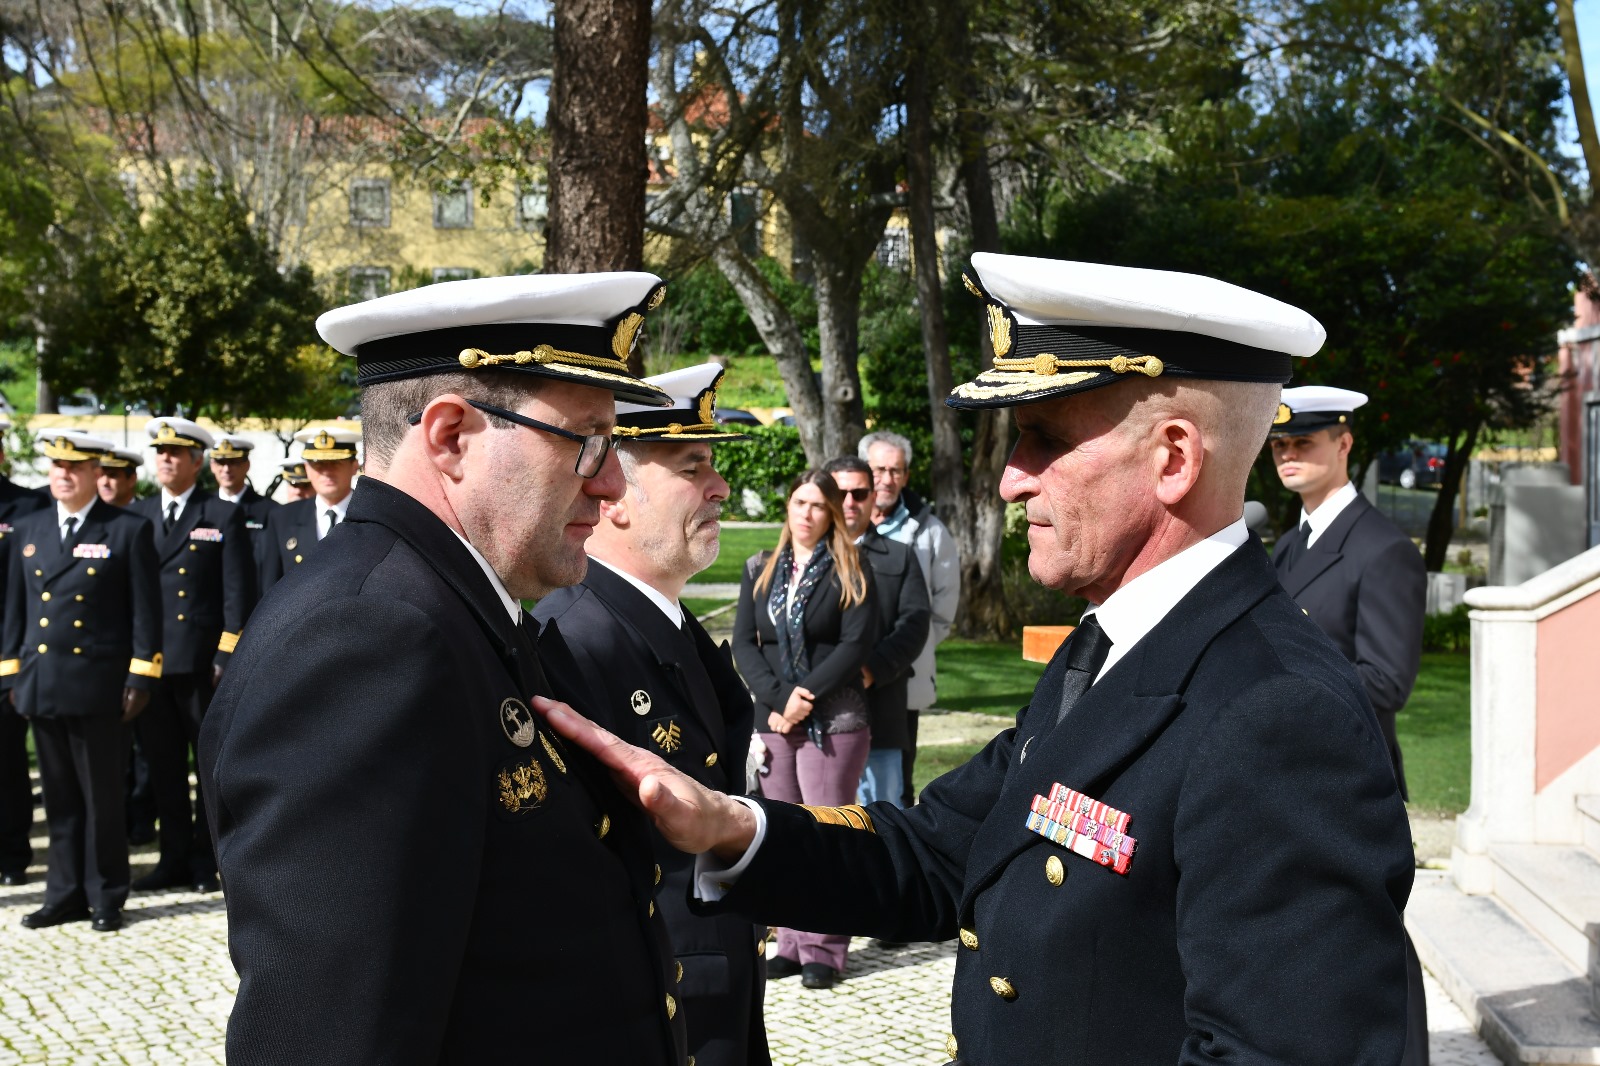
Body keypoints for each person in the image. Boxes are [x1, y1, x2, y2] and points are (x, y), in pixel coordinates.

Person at [537, 254, 1416, 1065]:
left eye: (1044, 440)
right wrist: (733, 827)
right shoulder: (1111, 644)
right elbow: (947, 847)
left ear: (1175, 458)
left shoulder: (1280, 712)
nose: (1010, 478)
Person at [199, 272, 691, 1063]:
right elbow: (336, 1038)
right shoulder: (369, 641)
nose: (609, 484)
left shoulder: (452, 609)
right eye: (589, 442)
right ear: (451, 436)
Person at [534, 362, 770, 1066]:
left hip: (715, 994)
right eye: (692, 466)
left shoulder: (664, 627)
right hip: (654, 1013)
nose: (720, 486)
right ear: (615, 497)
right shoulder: (573, 643)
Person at [1268, 384, 1430, 1066]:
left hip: (1345, 782)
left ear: (1345, 442)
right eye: (1279, 445)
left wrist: (1273, 694)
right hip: (1288, 775)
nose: (1289, 455)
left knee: (1366, 941)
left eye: (1304, 442)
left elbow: (1387, 681)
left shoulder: (1380, 548)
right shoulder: (1288, 546)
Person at [2, 432, 162, 933]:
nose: (62, 474)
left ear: (96, 473)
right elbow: (16, 612)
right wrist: (12, 674)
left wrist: (142, 672)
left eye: (74, 467)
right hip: (43, 681)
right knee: (60, 798)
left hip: (100, 685)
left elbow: (144, 612)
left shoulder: (126, 529)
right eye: (55, 466)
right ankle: (63, 893)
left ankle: (106, 893)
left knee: (101, 799)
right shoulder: (28, 529)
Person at [731, 468, 877, 990]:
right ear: (788, 507)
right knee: (783, 835)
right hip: (773, 721)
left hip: (832, 724)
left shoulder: (851, 568)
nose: (806, 513)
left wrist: (802, 700)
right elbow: (744, 643)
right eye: (798, 502)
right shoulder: (760, 568)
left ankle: (825, 948)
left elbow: (855, 646)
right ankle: (790, 942)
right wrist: (777, 700)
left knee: (825, 834)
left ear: (831, 512)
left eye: (817, 505)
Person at [127, 418, 254, 894]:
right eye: (159, 452)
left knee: (207, 769)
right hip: (151, 664)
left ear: (197, 462)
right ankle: (171, 857)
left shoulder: (219, 515)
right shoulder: (136, 516)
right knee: (160, 766)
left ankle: (205, 860)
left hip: (202, 665)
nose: (165, 459)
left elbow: (237, 594)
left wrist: (226, 653)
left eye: (176, 453)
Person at [820, 455, 930, 809]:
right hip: (812, 714)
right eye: (840, 493)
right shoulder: (802, 557)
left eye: (859, 493)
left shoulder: (900, 556)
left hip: (880, 712)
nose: (849, 502)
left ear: (872, 496)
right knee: (815, 822)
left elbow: (914, 625)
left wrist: (870, 671)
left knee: (884, 824)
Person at [857, 430, 959, 806]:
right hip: (839, 677)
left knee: (894, 782)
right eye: (879, 469)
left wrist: (901, 648)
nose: (888, 479)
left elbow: (941, 610)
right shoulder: (839, 527)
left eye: (897, 470)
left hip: (901, 677)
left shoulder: (930, 531)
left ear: (907, 476)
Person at [0, 415, 49, 885]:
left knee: (8, 762)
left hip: (4, 651)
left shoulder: (26, 508)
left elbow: (26, 594)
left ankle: (12, 854)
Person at [258, 426, 359, 590]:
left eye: (335, 462)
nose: (326, 472)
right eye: (318, 463)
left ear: (354, 466)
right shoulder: (282, 519)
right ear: (307, 468)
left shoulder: (374, 514)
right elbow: (270, 589)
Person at [210, 435, 277, 567]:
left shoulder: (270, 511)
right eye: (221, 462)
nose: (226, 469)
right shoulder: (201, 509)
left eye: (234, 462)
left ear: (247, 465)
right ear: (212, 466)